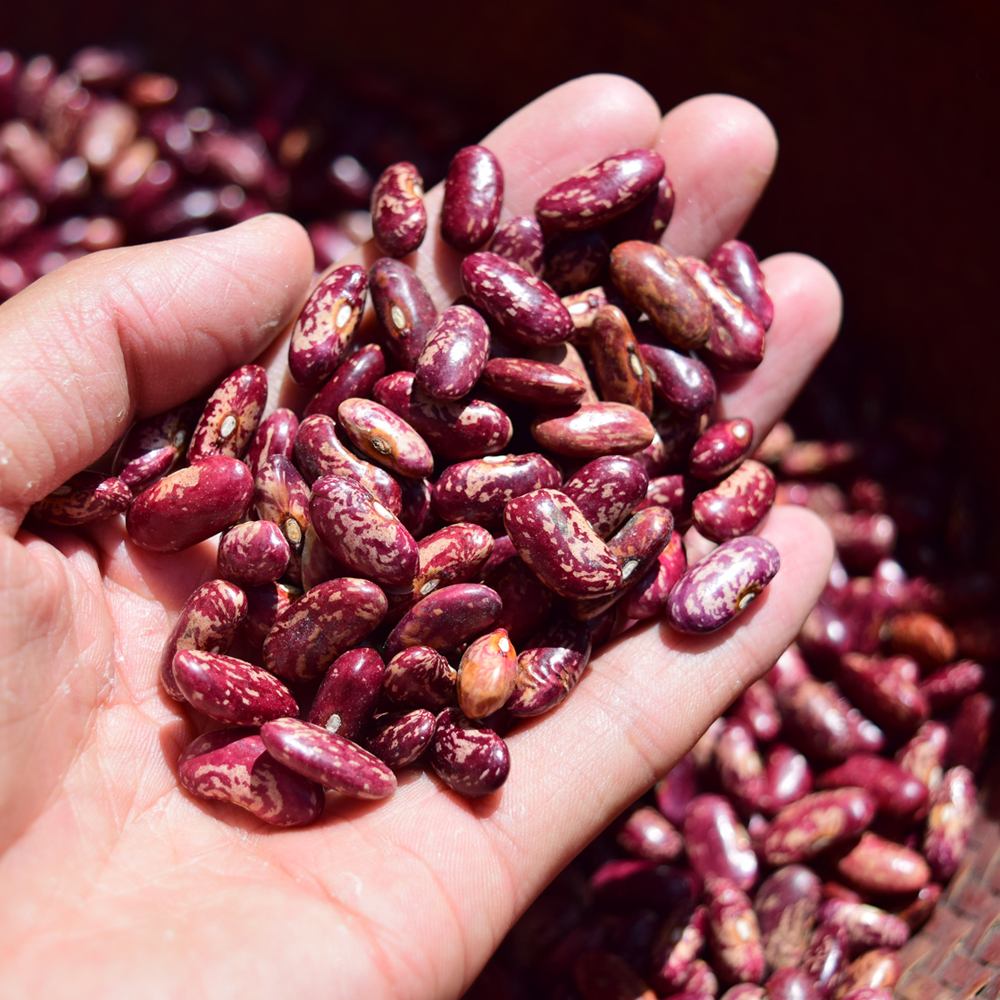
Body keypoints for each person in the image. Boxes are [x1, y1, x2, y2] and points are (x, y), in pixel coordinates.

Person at [0, 75, 839, 997]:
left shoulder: (524, 484)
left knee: (397, 577)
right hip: (378, 594)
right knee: (361, 581)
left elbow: (449, 559)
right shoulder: (323, 509)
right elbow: (362, 574)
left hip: (456, 557)